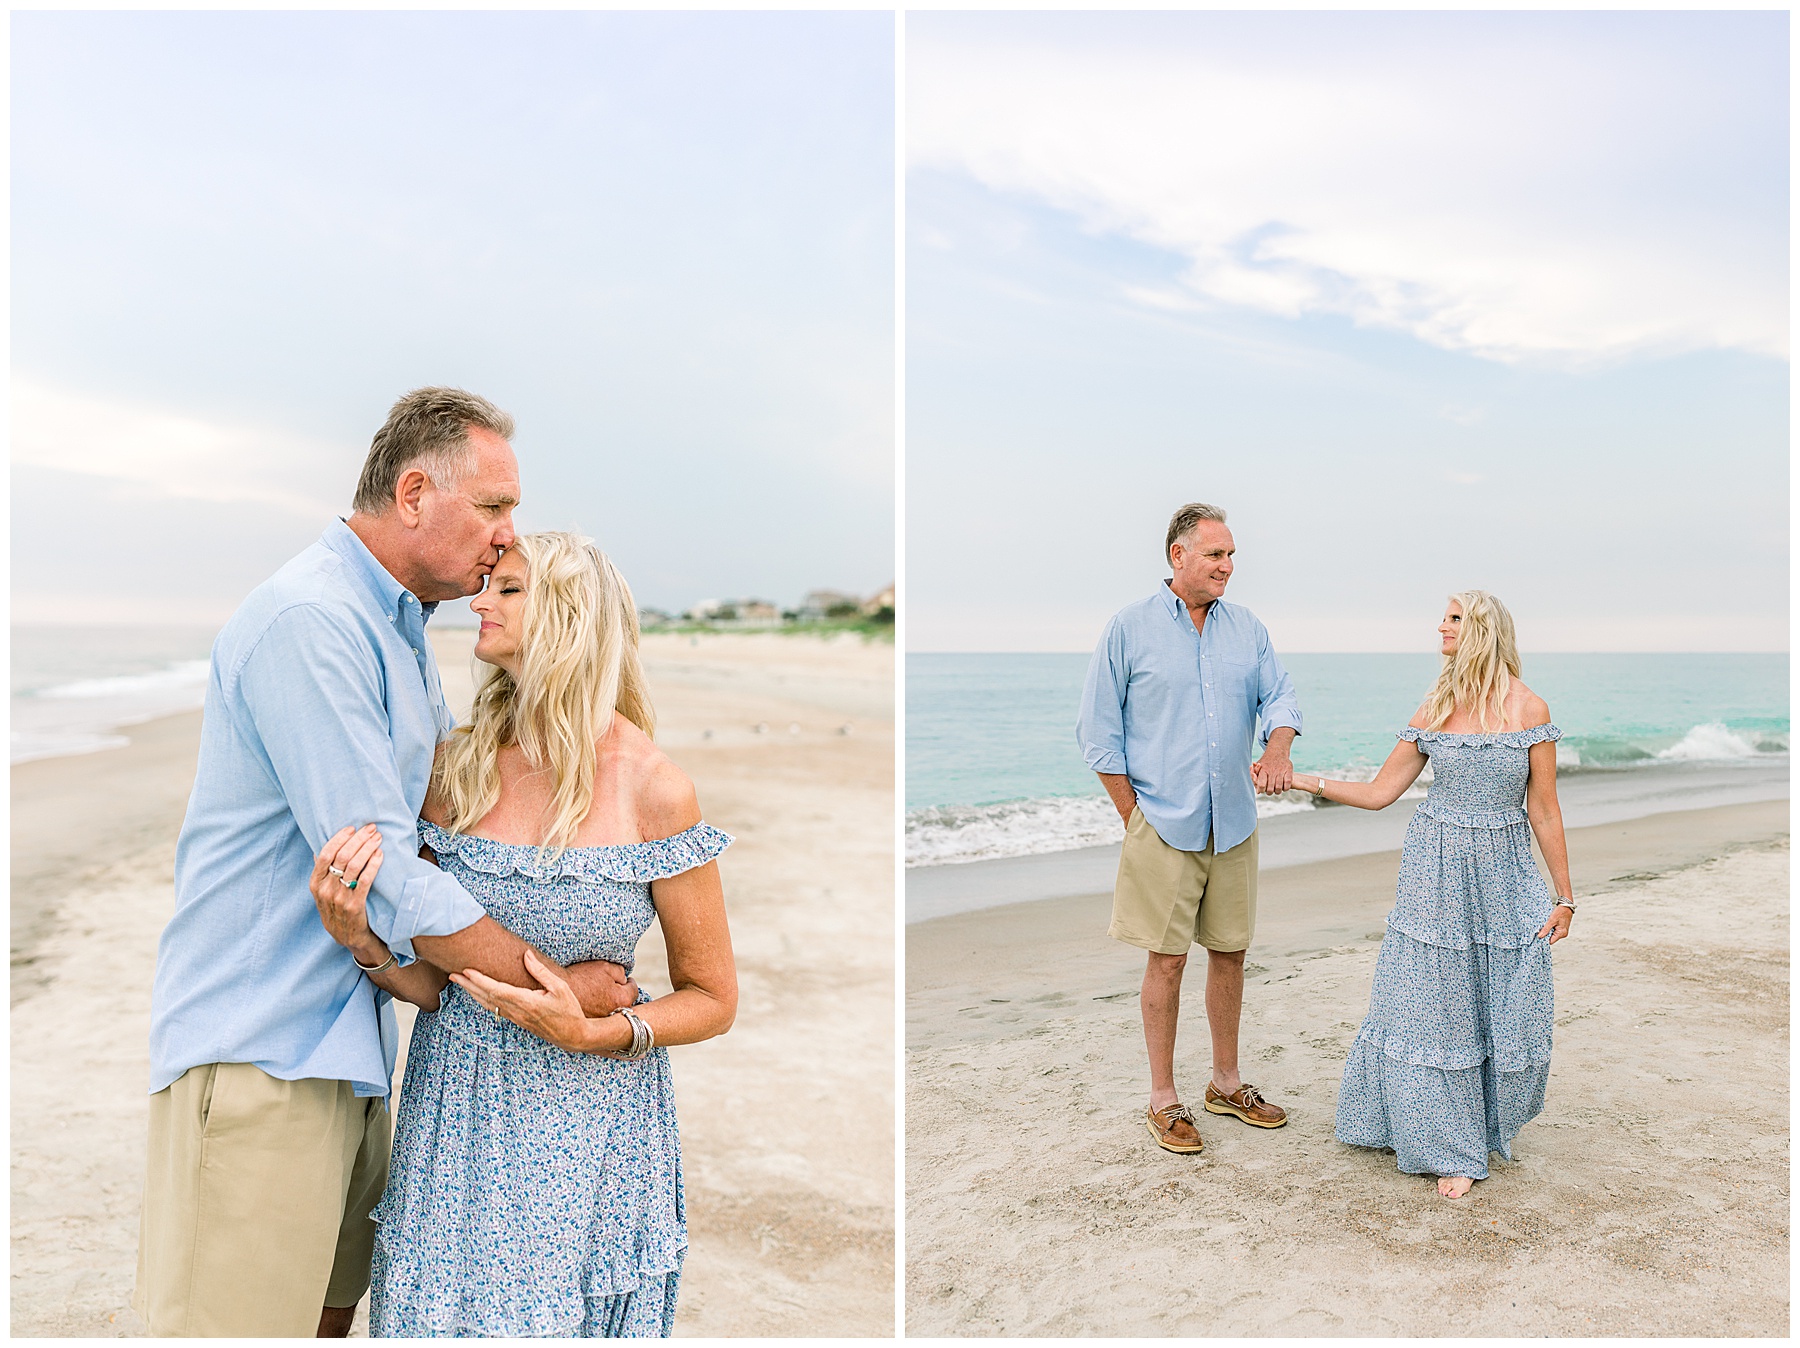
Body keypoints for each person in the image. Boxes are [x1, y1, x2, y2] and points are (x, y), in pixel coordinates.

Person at [135, 388, 640, 1338]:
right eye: (493, 508)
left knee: (328, 1320)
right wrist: (555, 984)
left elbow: (429, 844)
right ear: (414, 493)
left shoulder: (399, 633)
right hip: (261, 1053)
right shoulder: (312, 622)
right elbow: (390, 871)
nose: (505, 538)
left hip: (352, 1055)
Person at [308, 531, 737, 1337]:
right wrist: (361, 940)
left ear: (570, 618)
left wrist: (602, 1031)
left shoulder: (656, 790)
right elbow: (435, 986)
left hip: (593, 1129)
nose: (479, 601)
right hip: (457, 1121)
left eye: (508, 589)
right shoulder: (455, 770)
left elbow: (714, 998)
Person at [1287, 590, 1575, 1200]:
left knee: (1510, 1001)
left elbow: (1544, 811)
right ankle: (1448, 1144)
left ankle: (1487, 1121)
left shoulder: (1530, 709)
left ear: (1482, 630)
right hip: (1434, 870)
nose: (1439, 627)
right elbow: (1378, 793)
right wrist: (1301, 779)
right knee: (1432, 1007)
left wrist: (1565, 897)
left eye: (1452, 618)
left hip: (1506, 871)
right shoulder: (1435, 706)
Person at [1076, 502, 1303, 1155]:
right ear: (1178, 557)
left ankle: (1226, 1085)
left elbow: (1280, 698)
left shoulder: (1247, 630)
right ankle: (1163, 1099)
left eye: (1231, 556)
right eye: (1215, 556)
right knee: (1167, 960)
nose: (1228, 567)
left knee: (1231, 953)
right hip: (1161, 824)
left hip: (1232, 820)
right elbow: (1098, 734)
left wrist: (1279, 746)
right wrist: (1134, 817)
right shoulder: (1129, 629)